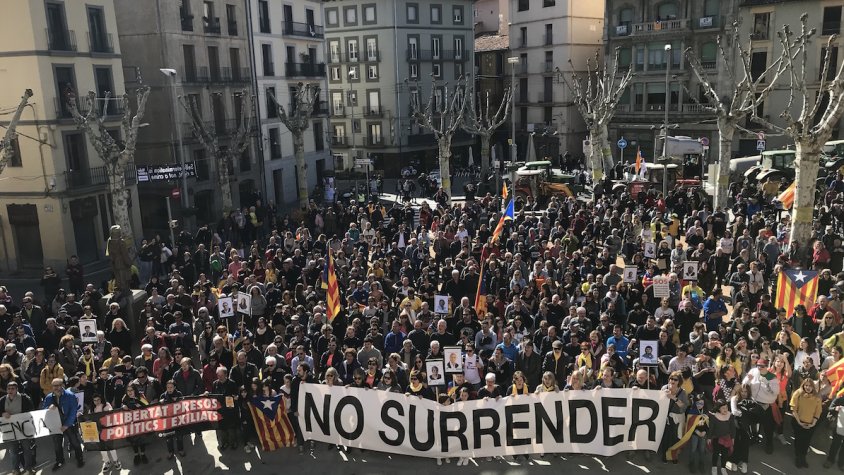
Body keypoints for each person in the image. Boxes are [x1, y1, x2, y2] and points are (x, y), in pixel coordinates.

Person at [41, 378, 85, 470]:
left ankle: (79, 458)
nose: (56, 388)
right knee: (57, 444)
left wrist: (66, 425)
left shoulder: (70, 396)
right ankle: (60, 461)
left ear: (62, 386)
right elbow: (44, 410)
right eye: (54, 386)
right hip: (55, 424)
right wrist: (48, 407)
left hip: (68, 424)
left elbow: (73, 412)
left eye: (58, 385)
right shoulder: (49, 397)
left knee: (75, 442)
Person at [0, 381, 35, 474]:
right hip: (9, 430)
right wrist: (2, 413)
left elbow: (32, 410)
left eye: (13, 388)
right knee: (13, 450)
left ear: (17, 389)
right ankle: (15, 469)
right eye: (8, 389)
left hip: (24, 428)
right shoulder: (2, 400)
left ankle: (29, 468)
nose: (10, 390)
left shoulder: (25, 398)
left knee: (27, 449)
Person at [789, 378, 822, 468]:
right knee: (799, 441)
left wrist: (813, 423)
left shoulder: (817, 397)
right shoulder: (798, 394)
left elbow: (818, 411)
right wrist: (799, 422)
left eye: (810, 386)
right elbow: (793, 409)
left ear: (813, 387)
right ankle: (798, 457)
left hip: (810, 423)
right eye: (806, 385)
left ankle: (803, 458)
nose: (808, 387)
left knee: (806, 442)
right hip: (798, 422)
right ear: (803, 385)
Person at [90, 393, 121, 472]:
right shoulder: (92, 408)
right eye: (95, 400)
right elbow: (89, 419)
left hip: (107, 430)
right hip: (98, 431)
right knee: (102, 448)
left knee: (111, 446)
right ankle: (107, 462)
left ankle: (116, 461)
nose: (97, 402)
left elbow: (111, 415)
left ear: (101, 399)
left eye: (98, 400)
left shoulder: (106, 405)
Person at [709, 399, 737, 475]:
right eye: (723, 408)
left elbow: (733, 428)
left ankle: (723, 468)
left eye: (726, 407)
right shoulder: (715, 417)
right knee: (716, 453)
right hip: (716, 438)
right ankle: (714, 467)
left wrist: (733, 438)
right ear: (718, 408)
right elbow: (711, 428)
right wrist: (709, 437)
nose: (725, 409)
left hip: (726, 439)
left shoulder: (730, 416)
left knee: (724, 454)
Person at [160, 379, 186, 459]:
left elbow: (183, 407)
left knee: (179, 437)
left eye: (171, 387)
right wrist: (160, 403)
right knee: (169, 439)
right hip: (168, 422)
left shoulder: (179, 394)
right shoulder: (163, 396)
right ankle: (170, 452)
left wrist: (177, 401)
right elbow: (160, 410)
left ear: (174, 387)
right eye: (168, 387)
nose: (169, 389)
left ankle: (180, 449)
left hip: (178, 420)